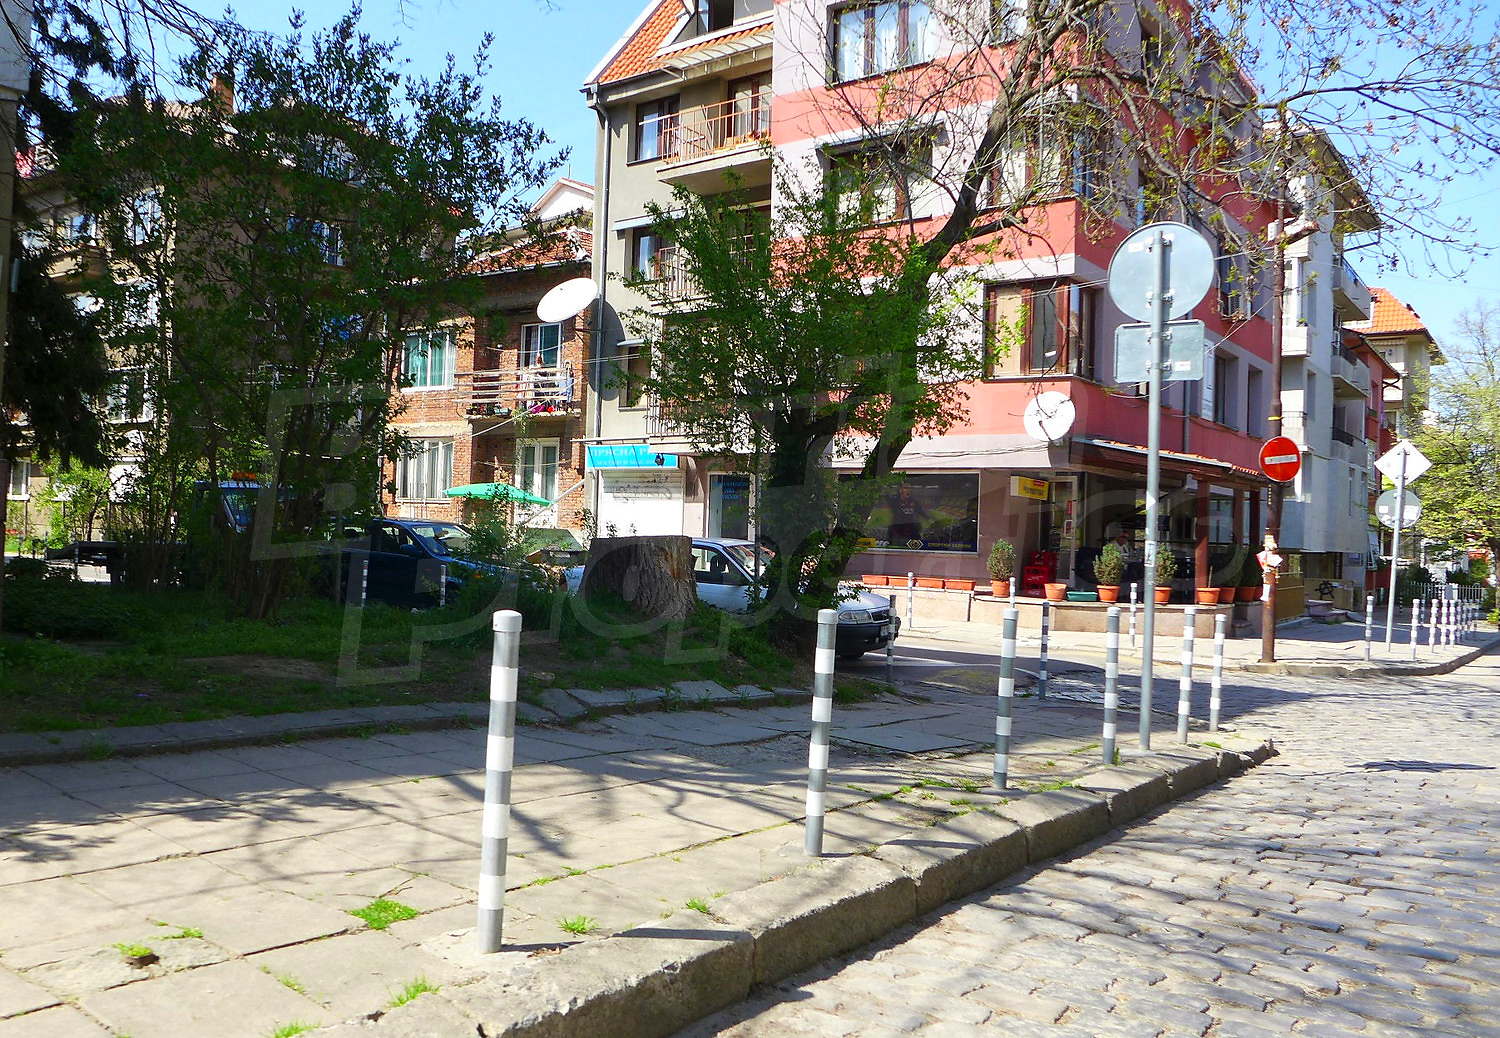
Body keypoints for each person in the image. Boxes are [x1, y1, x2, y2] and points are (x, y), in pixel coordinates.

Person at [886, 482, 929, 546]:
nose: (908, 490)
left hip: (911, 529)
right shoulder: (895, 500)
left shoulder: (914, 501)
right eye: (905, 488)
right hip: (898, 528)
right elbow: (887, 498)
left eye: (909, 488)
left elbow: (921, 510)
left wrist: (927, 518)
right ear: (900, 490)